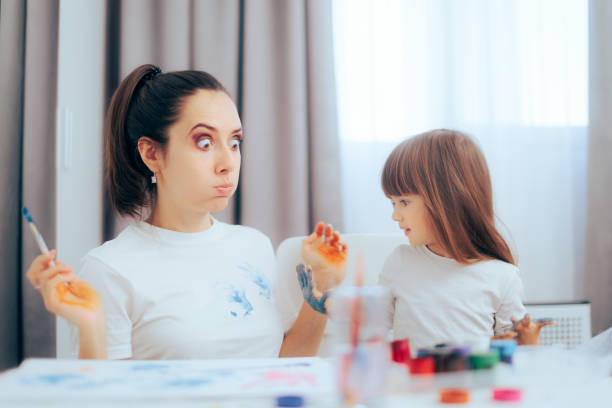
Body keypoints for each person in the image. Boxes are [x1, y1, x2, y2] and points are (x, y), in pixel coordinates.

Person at [25, 64, 346, 359]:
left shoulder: (254, 245)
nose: (227, 163)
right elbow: (105, 397)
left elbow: (284, 367)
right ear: (152, 153)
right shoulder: (110, 271)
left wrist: (322, 284)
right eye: (205, 142)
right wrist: (91, 328)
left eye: (234, 142)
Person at [377, 129, 551, 351]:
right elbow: (372, 334)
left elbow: (516, 354)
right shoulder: (400, 262)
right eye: (393, 203)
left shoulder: (502, 277)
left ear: (446, 199)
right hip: (412, 385)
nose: (395, 216)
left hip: (474, 386)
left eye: (403, 202)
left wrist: (529, 343)